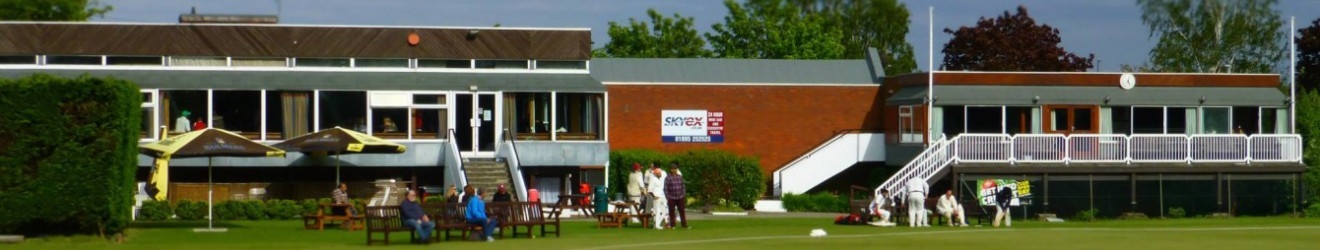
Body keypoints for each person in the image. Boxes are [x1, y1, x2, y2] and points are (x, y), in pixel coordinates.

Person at [664, 164, 689, 229]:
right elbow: (666, 188)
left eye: (676, 169)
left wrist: (683, 194)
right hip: (671, 197)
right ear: (671, 170)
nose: (675, 170)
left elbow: (683, 186)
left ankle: (684, 224)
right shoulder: (668, 177)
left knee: (682, 210)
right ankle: (673, 225)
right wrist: (667, 197)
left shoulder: (679, 177)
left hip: (680, 197)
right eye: (674, 169)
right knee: (671, 211)